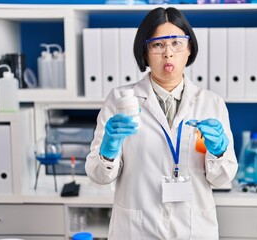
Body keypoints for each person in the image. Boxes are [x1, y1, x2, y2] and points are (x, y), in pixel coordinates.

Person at [85, 7, 238, 240]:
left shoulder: (212, 104)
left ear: (189, 49)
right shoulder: (119, 100)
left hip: (193, 230)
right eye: (158, 44)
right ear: (145, 52)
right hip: (137, 230)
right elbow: (98, 176)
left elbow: (222, 178)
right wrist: (107, 151)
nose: (168, 53)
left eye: (177, 43)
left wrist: (219, 152)